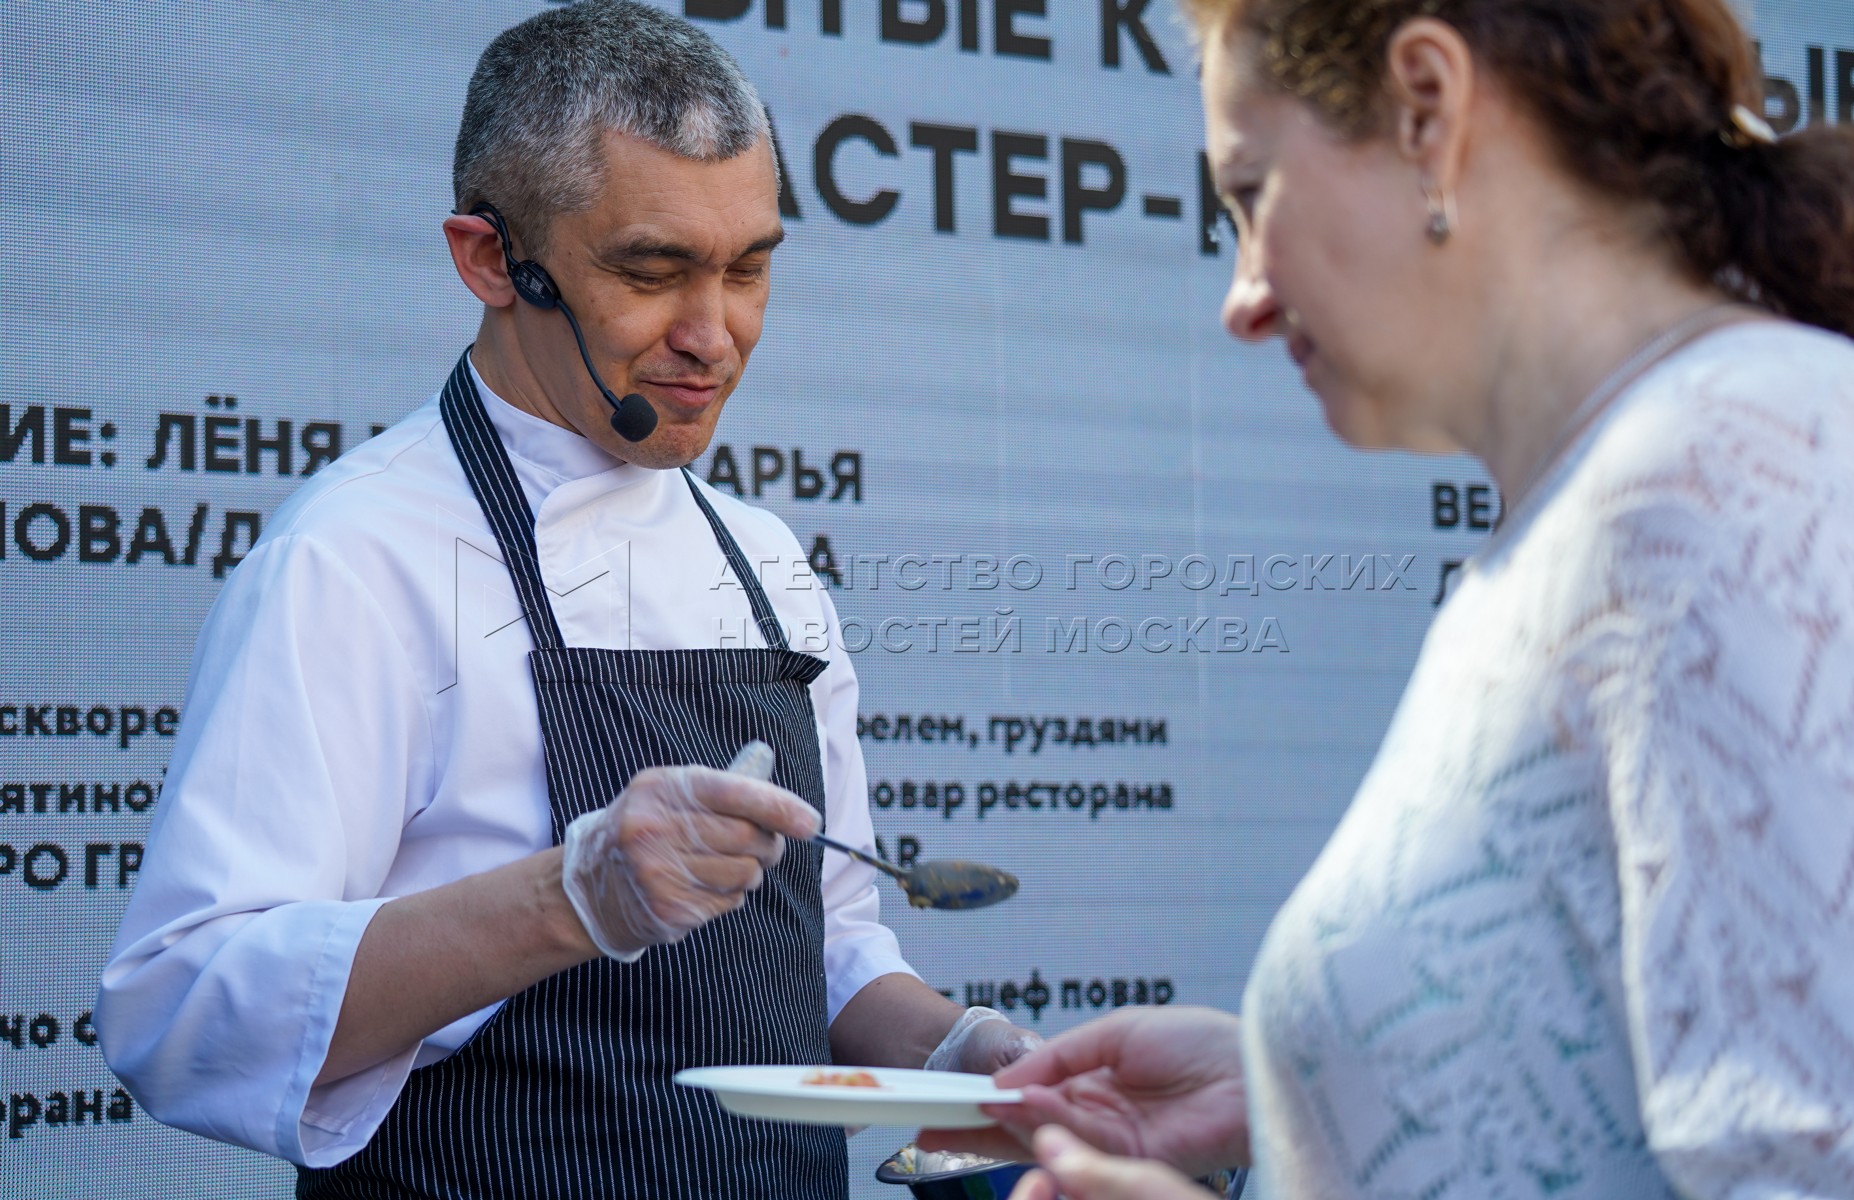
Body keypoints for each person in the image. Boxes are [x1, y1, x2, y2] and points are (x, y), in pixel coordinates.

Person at [94, 3, 1035, 1196]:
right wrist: (569, 898)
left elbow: (832, 952)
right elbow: (174, 1010)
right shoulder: (357, 554)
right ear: (490, 259)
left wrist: (967, 1061)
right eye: (652, 271)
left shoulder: (767, 561)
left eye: (748, 270)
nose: (715, 335)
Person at [923, 0, 1854, 1197]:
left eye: (1252, 195)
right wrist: (1310, 1086)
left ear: (1428, 106)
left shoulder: (1725, 472)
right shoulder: (1598, 515)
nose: (1243, 298)